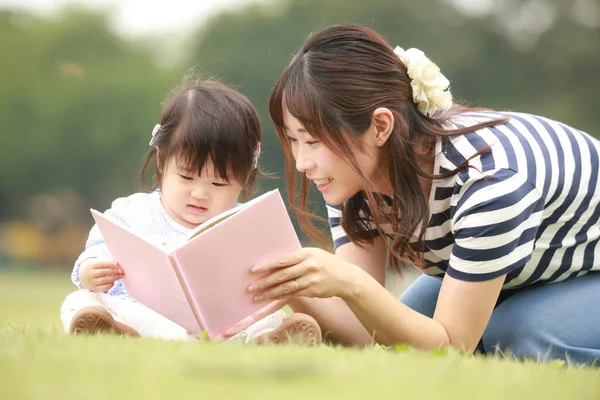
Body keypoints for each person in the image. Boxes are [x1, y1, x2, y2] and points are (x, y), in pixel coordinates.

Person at [246, 24, 600, 365]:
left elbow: (449, 347)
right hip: (529, 267)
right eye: (293, 140)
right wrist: (287, 283)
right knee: (402, 331)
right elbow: (363, 332)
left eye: (313, 141)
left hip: (589, 268)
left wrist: (351, 283)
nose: (302, 161)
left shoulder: (488, 185)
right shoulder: (351, 175)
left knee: (518, 336)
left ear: (380, 127)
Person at [60, 73, 321, 346]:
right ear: (162, 160)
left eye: (219, 183)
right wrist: (90, 270)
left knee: (270, 315)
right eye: (186, 177)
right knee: (79, 301)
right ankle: (116, 330)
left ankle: (270, 339)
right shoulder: (133, 211)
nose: (199, 194)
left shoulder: (246, 224)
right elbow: (100, 247)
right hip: (142, 315)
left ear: (245, 178)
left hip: (223, 326)